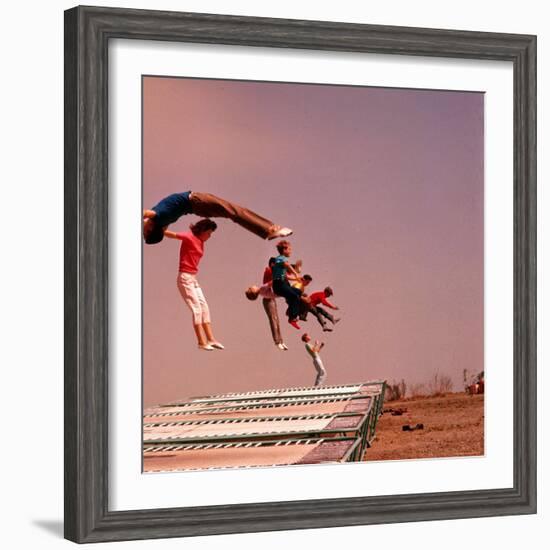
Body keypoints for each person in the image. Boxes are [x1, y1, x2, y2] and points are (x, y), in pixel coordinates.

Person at [164, 219, 224, 351]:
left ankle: (211, 339)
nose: (210, 236)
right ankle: (201, 342)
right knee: (196, 309)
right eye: (208, 233)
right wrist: (155, 228)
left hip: (193, 278)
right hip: (185, 278)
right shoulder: (189, 237)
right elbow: (171, 235)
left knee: (204, 307)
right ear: (202, 231)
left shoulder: (201, 242)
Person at [143, 191, 292, 244]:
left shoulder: (163, 223)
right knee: (234, 211)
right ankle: (270, 229)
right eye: (144, 231)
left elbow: (159, 231)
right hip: (197, 202)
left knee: (233, 213)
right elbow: (145, 214)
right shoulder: (159, 216)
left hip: (197, 207)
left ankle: (267, 230)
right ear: (150, 229)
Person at [270, 241, 303, 329]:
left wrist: (296, 279)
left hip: (283, 283)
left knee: (298, 292)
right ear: (284, 250)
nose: (291, 251)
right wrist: (296, 273)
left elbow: (285, 276)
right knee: (295, 297)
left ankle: (290, 311)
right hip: (279, 285)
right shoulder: (280, 259)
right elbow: (287, 264)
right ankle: (292, 318)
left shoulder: (281, 262)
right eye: (289, 249)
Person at [245, 284, 288, 351]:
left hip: (271, 300)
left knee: (276, 321)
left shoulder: (261, 290)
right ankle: (277, 341)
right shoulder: (262, 288)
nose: (253, 286)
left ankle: (280, 341)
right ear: (254, 291)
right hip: (268, 301)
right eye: (252, 288)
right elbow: (271, 282)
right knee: (273, 321)